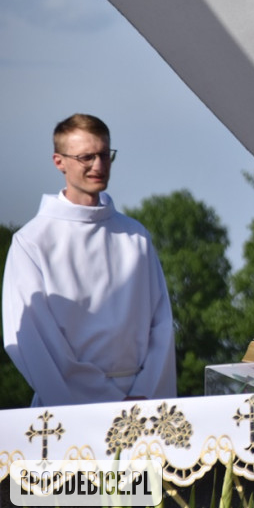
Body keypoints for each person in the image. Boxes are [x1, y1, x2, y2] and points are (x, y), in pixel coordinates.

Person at [2, 114, 176, 406]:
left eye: (105, 155)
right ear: (59, 161)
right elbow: (34, 339)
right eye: (86, 157)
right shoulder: (32, 241)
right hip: (69, 404)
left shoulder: (135, 236)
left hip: (141, 402)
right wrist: (101, 400)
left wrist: (145, 394)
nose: (98, 166)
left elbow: (161, 324)